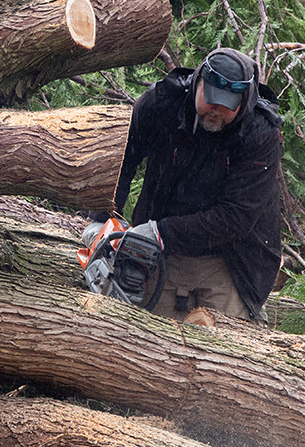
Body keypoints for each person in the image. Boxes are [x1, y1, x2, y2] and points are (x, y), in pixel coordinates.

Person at [83, 48, 284, 322]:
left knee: (224, 343)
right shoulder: (163, 103)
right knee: (143, 334)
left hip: (230, 259)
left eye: (227, 104)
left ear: (245, 98)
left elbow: (235, 216)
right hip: (162, 255)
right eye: (211, 99)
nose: (217, 109)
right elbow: (121, 159)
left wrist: (159, 232)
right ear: (198, 82)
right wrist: (101, 218)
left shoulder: (260, 132)